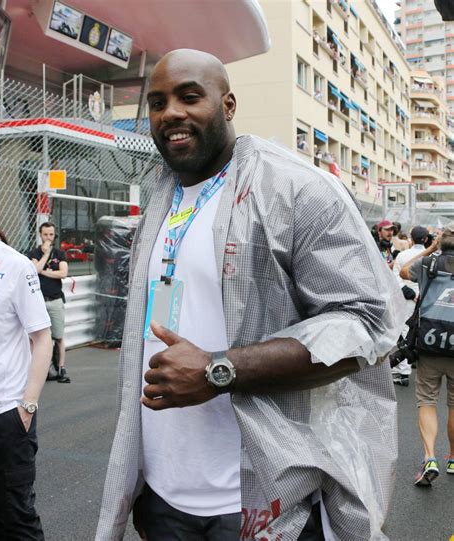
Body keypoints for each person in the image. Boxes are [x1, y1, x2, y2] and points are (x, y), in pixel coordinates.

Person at [97, 49, 404, 540]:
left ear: (229, 104)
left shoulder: (297, 188)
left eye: (189, 96)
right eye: (157, 103)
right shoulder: (161, 193)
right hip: (162, 496)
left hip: (262, 502)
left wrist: (220, 369)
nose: (170, 112)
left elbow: (368, 323)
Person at [0, 180, 53, 539]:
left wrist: (28, 405)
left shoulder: (15, 265)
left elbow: (42, 339)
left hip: (7, 413)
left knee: (17, 515)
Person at [400, 226, 454, 486]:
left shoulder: (429, 263)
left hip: (430, 342)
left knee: (427, 400)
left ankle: (430, 457)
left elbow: (401, 272)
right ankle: (453, 458)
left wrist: (431, 250)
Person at [29, 222, 70, 383]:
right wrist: (45, 256)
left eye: (51, 234)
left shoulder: (60, 253)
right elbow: (34, 270)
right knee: (37, 337)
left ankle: (61, 367)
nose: (48, 238)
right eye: (45, 234)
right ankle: (39, 370)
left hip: (55, 300)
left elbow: (63, 273)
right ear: (40, 234)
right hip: (38, 301)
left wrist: (44, 271)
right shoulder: (33, 252)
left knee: (58, 336)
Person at [391, 225, 430, 386]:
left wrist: (412, 295)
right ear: (426, 239)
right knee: (426, 332)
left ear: (411, 239)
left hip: (406, 300)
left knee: (405, 332)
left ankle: (403, 371)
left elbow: (395, 279)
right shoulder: (433, 257)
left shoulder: (403, 255)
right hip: (427, 299)